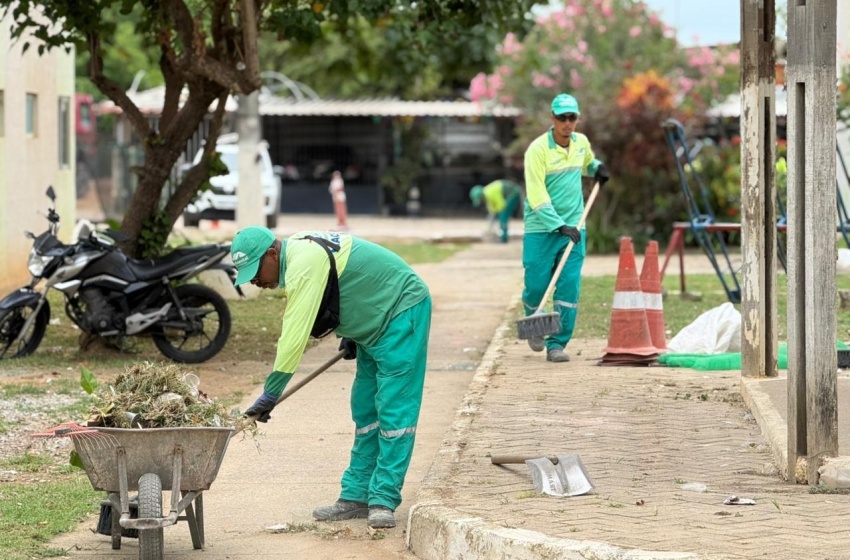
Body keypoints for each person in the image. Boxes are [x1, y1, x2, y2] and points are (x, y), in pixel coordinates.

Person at [232, 226, 431, 530]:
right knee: (365, 410)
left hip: (401, 312)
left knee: (394, 411)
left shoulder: (303, 264)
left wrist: (271, 392)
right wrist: (353, 329)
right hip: (371, 328)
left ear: (272, 254)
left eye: (256, 272)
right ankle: (356, 496)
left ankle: (383, 499)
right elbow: (346, 281)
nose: (256, 282)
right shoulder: (298, 253)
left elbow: (294, 336)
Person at [522, 93, 609, 363]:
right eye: (562, 118)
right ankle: (534, 321)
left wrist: (598, 167)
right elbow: (537, 196)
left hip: (575, 227)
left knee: (569, 288)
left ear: (577, 119)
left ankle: (557, 343)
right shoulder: (537, 151)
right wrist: (559, 225)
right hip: (541, 229)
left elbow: (587, 163)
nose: (567, 123)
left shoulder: (580, 143)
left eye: (572, 117)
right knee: (537, 286)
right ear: (553, 119)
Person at [469, 179, 523, 243]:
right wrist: (491, 221)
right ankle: (502, 235)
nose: (481, 201)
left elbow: (501, 205)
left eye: (480, 199)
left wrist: (496, 215)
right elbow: (492, 209)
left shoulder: (490, 193)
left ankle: (504, 238)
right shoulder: (487, 196)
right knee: (501, 215)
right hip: (506, 196)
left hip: (513, 193)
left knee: (503, 216)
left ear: (481, 196)